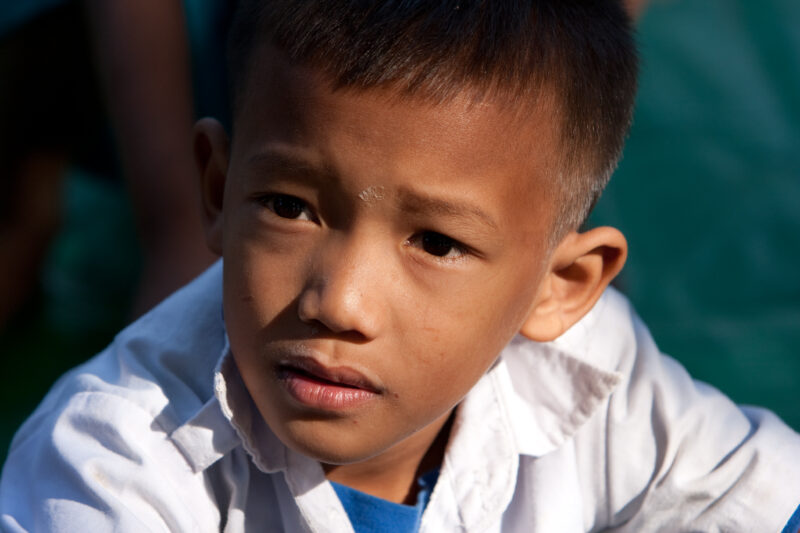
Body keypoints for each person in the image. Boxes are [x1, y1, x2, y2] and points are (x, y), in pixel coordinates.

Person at [2, 1, 799, 531]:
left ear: (564, 288)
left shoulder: (592, 378)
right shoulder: (109, 461)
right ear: (217, 185)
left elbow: (760, 494)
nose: (340, 301)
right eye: (288, 205)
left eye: (438, 243)